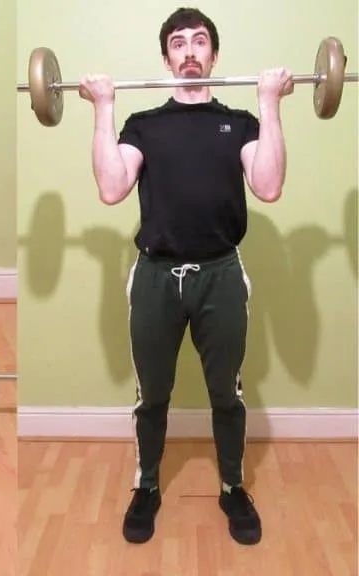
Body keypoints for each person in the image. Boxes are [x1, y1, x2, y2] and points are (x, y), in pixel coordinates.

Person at [78, 7, 291, 546]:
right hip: (155, 275)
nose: (190, 51)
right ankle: (146, 485)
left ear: (214, 55)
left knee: (227, 393)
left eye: (200, 42)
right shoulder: (144, 125)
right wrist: (103, 108)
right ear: (167, 58)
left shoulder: (240, 122)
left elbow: (267, 187)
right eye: (179, 43)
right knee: (153, 394)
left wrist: (269, 104)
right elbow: (111, 188)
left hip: (221, 273)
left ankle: (232, 486)